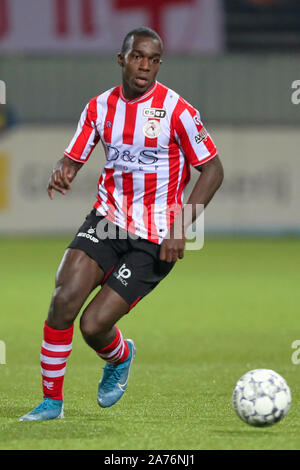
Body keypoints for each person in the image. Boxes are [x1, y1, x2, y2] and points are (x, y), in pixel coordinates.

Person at [19, 27, 224, 421]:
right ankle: (51, 404)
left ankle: (120, 355)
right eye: (137, 57)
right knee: (63, 301)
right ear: (121, 59)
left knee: (93, 326)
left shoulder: (177, 111)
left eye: (153, 59)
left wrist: (181, 226)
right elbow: (73, 157)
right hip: (108, 220)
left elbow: (212, 169)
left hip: (157, 237)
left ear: (159, 63)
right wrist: (63, 171)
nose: (145, 65)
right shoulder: (99, 107)